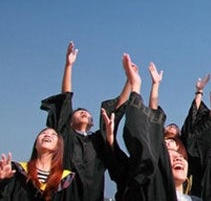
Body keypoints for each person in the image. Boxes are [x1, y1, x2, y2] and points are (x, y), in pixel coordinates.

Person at [39, 41, 109, 201]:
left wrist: (131, 82)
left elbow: (117, 109)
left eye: (86, 112)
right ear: (70, 120)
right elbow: (66, 100)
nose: (83, 112)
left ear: (92, 121)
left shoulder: (98, 140)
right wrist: (68, 66)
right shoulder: (66, 137)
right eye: (78, 112)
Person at [101, 55, 177, 201]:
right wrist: (152, 86)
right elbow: (153, 126)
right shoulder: (140, 176)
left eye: (177, 155)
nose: (176, 159)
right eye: (167, 146)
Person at [0, 128, 75, 201]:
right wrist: (2, 180)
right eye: (43, 133)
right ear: (35, 145)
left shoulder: (66, 180)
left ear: (59, 146)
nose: (47, 135)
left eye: (53, 134)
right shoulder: (17, 171)